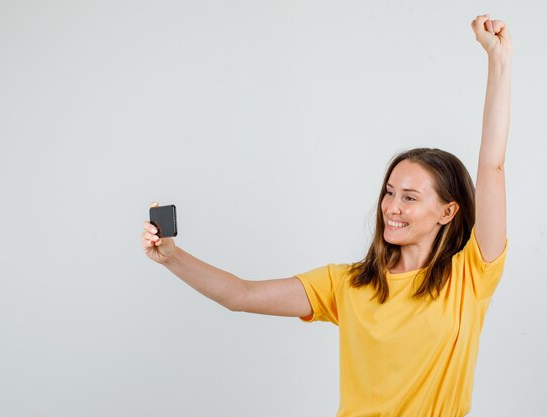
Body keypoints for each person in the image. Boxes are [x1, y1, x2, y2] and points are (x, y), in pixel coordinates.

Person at [140, 13, 511, 417]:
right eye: (389, 192)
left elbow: (492, 166)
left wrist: (498, 60)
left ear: (448, 211)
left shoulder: (469, 278)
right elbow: (240, 295)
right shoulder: (348, 284)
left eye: (409, 197)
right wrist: (172, 257)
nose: (392, 208)